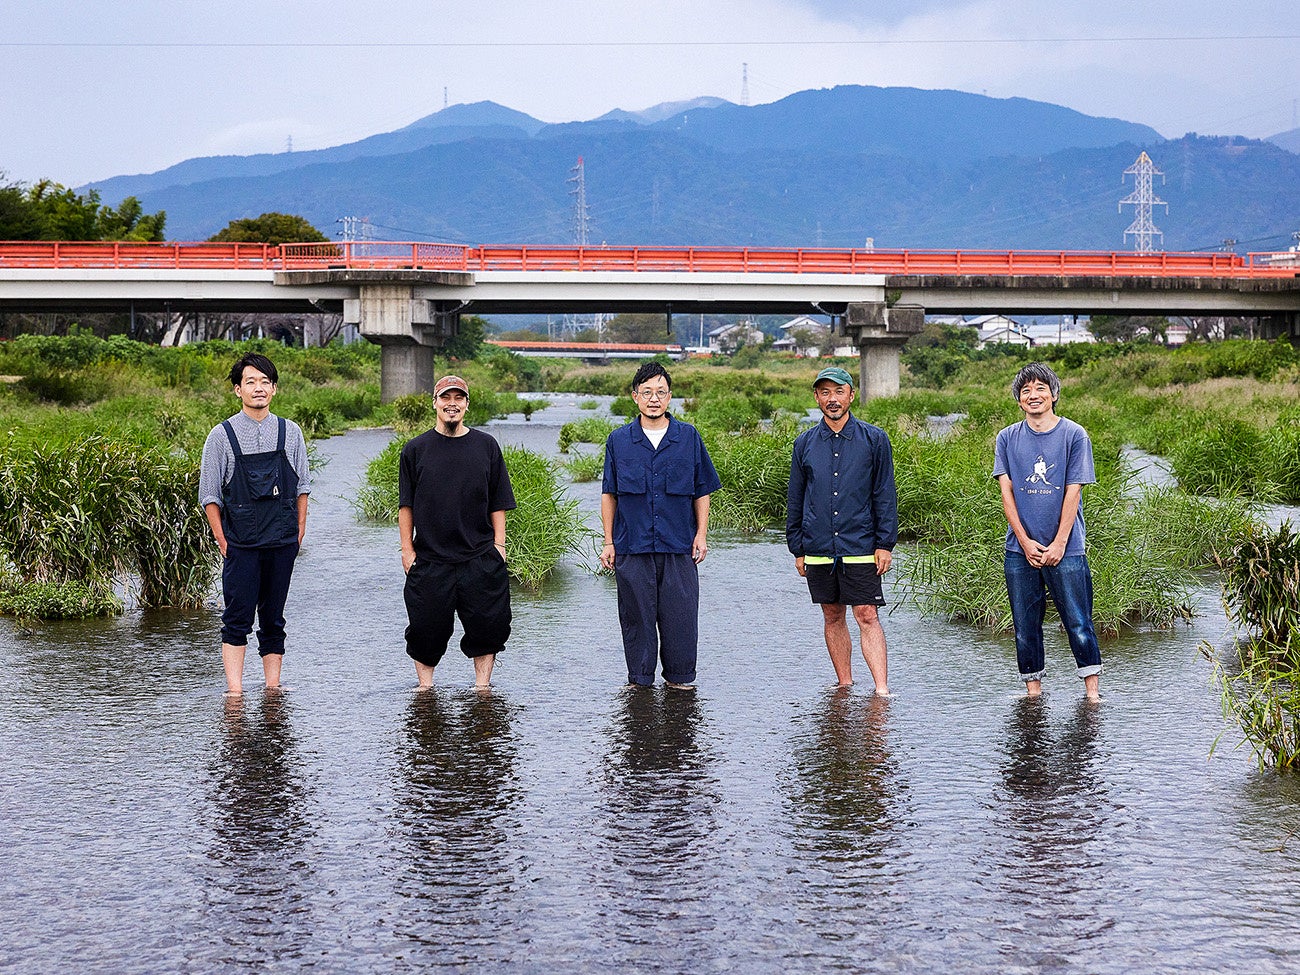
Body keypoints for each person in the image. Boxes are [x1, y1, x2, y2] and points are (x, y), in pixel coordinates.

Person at [600, 362, 721, 689]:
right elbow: (609, 494)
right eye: (647, 392)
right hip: (632, 547)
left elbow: (702, 490)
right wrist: (608, 541)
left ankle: (680, 683)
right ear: (635, 396)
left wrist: (701, 535)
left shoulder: (688, 437)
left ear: (670, 397)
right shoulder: (619, 440)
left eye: (661, 392)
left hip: (679, 547)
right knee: (636, 622)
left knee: (680, 622)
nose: (654, 399)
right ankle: (639, 684)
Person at [200, 353, 311, 696]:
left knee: (274, 618)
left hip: (282, 542)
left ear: (274, 389)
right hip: (242, 545)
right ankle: (234, 693)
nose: (258, 388)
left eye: (265, 382)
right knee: (237, 619)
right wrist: (223, 541)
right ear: (238, 390)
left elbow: (303, 487)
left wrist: (298, 535)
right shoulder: (221, 436)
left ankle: (272, 689)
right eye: (250, 382)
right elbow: (209, 496)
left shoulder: (290, 432)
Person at [993, 362, 1102, 700]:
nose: (1033, 395)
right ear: (1019, 399)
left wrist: (1058, 543)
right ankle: (1033, 694)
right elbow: (1006, 491)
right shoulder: (1007, 437)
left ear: (1054, 394)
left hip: (1066, 550)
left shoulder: (1074, 434)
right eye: (1026, 390)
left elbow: (1074, 490)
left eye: (1040, 388)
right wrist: (1025, 542)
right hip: (1019, 551)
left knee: (1078, 622)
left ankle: (1093, 695)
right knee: (1025, 627)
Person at [399, 375, 516, 689]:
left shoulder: (486, 446)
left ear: (467, 404)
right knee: (425, 629)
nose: (452, 404)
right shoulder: (415, 449)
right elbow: (405, 505)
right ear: (435, 403)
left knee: (489, 625)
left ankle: (482, 689)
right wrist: (407, 550)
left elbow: (498, 501)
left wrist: (499, 546)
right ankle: (425, 691)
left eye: (458, 398)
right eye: (445, 398)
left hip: (478, 556)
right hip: (430, 558)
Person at [786, 366, 897, 692]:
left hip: (861, 543)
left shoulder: (874, 439)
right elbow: (796, 497)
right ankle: (845, 685)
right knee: (832, 614)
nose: (832, 399)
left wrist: (885, 543)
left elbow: (884, 493)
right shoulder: (804, 443)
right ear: (817, 398)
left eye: (838, 392)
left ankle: (881, 690)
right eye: (825, 392)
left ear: (851, 395)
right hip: (818, 545)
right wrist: (798, 547)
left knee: (867, 614)